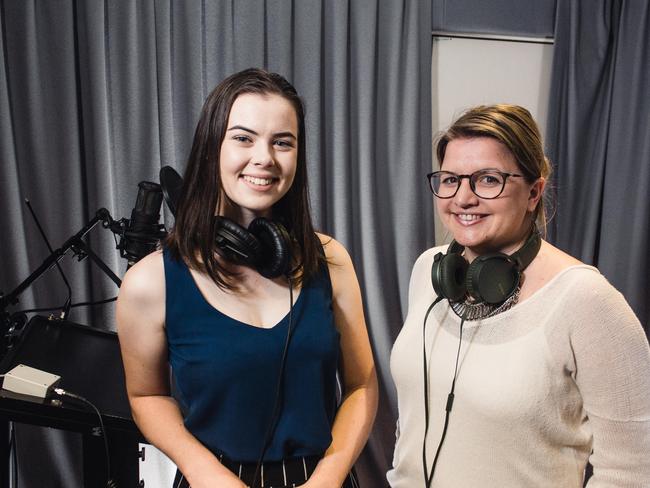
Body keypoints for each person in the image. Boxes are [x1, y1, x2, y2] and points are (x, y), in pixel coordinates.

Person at [117, 68, 378, 488]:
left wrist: (329, 476)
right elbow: (147, 396)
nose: (265, 158)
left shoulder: (330, 261)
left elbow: (361, 384)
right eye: (243, 137)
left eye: (283, 142)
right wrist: (204, 473)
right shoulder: (150, 282)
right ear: (210, 149)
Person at [387, 104, 650, 487]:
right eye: (449, 179)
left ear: (533, 192)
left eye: (488, 179)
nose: (463, 198)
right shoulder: (430, 271)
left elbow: (634, 471)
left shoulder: (587, 299)